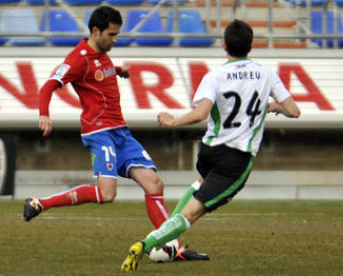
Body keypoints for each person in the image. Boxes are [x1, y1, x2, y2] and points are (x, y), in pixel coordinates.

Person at [23, 5, 207, 262]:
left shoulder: (103, 54)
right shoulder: (77, 59)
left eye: (117, 34)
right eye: (111, 34)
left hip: (120, 132)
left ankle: (172, 246)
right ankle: (39, 202)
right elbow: (48, 87)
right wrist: (44, 113)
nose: (115, 39)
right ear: (96, 31)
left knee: (154, 184)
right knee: (107, 194)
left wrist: (120, 71)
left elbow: (101, 72)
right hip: (99, 133)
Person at [120, 19, 301, 272]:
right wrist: (272, 106)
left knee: (202, 183)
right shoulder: (267, 74)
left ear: (224, 45)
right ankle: (146, 243)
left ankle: (168, 240)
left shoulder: (214, 76)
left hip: (210, 151)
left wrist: (173, 121)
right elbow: (294, 111)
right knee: (191, 214)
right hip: (236, 158)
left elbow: (201, 113)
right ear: (251, 46)